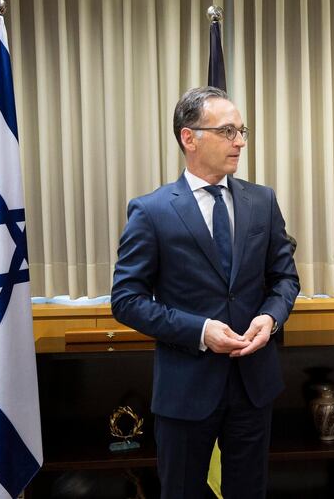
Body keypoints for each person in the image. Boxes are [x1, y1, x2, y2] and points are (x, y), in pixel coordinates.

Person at [111, 86, 300, 498]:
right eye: (228, 131)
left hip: (253, 385)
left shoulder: (262, 201)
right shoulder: (152, 210)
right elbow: (126, 300)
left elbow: (285, 278)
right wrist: (200, 331)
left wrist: (270, 318)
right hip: (186, 388)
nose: (241, 142)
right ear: (189, 137)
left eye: (242, 130)